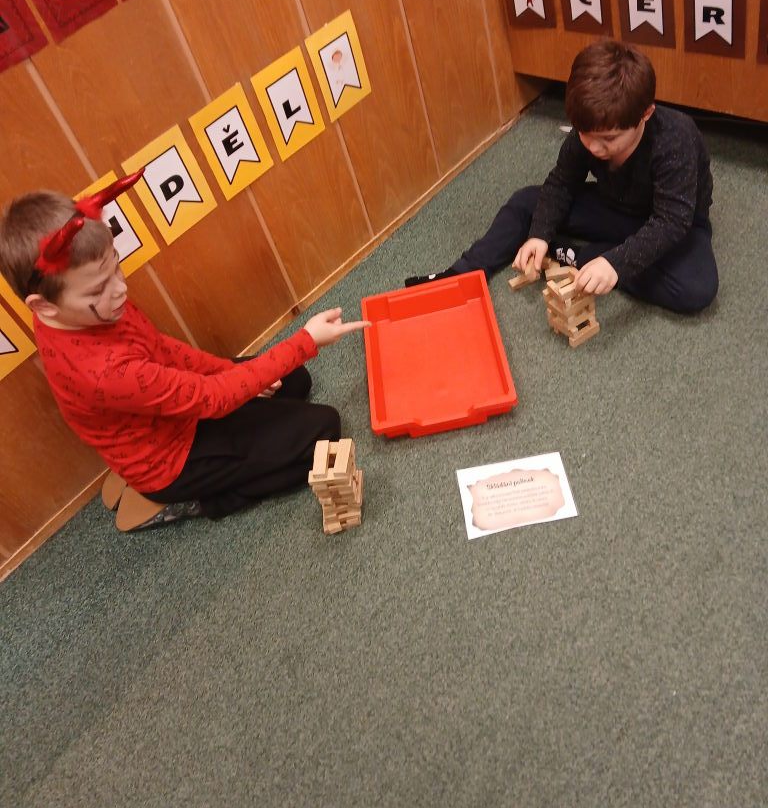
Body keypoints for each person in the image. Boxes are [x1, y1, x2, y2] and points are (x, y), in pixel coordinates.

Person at [0, 173, 369, 530]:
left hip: (167, 405)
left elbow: (161, 349)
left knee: (293, 379)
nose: (120, 290)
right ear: (43, 306)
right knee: (325, 430)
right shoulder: (104, 372)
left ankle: (156, 473)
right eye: (98, 289)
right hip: (173, 458)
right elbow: (211, 399)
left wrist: (230, 372)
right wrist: (305, 342)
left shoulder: (69, 309)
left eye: (116, 268)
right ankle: (196, 500)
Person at [406, 39, 718, 314]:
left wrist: (614, 263)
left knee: (696, 288)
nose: (594, 147)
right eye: (584, 133)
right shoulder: (590, 131)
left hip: (673, 220)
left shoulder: (675, 138)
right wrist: (539, 234)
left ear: (645, 114)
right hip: (613, 207)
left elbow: (672, 222)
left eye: (609, 139)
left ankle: (578, 254)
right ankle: (459, 276)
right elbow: (561, 183)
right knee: (527, 201)